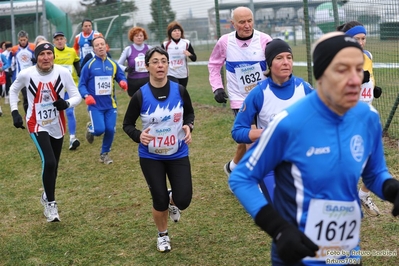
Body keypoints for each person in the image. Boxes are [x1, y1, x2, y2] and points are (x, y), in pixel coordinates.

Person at [229, 31, 399, 265]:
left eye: (359, 69)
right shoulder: (289, 123)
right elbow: (242, 178)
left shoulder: (367, 117)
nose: (354, 79)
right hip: (298, 254)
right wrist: (278, 228)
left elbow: (374, 173)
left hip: (346, 252)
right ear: (321, 75)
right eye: (342, 69)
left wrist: (391, 189)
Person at [122, 46, 195, 253]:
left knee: (183, 199)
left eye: (163, 61)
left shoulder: (180, 90)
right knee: (159, 199)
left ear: (168, 64)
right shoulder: (140, 96)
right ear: (147, 66)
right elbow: (127, 125)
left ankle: (172, 199)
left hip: (178, 153)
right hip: (150, 156)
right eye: (155, 61)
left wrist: (188, 127)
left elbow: (189, 114)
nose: (160, 65)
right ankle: (162, 235)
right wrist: (139, 136)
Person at [231, 39, 313, 202]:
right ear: (269, 63)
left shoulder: (303, 88)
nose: (286, 63)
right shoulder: (259, 93)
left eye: (289, 57)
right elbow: (237, 131)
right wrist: (264, 133)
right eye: (279, 58)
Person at [9, 41, 82, 222]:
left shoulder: (63, 73)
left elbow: (76, 95)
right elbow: (13, 89)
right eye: (42, 54)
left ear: (53, 57)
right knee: (49, 162)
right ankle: (51, 204)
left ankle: (46, 195)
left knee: (54, 166)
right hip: (36, 123)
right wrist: (14, 112)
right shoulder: (27, 74)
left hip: (57, 124)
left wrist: (66, 103)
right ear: (37, 57)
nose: (46, 57)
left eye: (49, 54)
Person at [208, 6, 272, 186]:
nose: (246, 25)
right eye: (242, 22)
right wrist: (217, 87)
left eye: (249, 20)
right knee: (253, 138)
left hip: (263, 98)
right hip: (240, 100)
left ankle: (233, 167)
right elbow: (213, 65)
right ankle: (256, 183)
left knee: (245, 141)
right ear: (233, 24)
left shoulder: (264, 40)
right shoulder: (224, 42)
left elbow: (275, 62)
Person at [337, 21, 382, 217]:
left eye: (364, 38)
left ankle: (363, 194)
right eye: (357, 39)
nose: (362, 42)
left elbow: (369, 76)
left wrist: (374, 87)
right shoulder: (338, 58)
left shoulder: (368, 56)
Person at [78, 36, 127, 164]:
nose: (100, 47)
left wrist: (122, 82)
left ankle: (104, 154)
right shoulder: (89, 66)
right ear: (93, 49)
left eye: (102, 44)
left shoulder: (113, 64)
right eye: (97, 45)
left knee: (110, 129)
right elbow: (81, 84)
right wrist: (86, 96)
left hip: (110, 104)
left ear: (106, 46)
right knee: (99, 130)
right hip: (95, 106)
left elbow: (121, 76)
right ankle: (90, 128)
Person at [53, 31, 82, 150]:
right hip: (55, 89)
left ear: (65, 40)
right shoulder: (51, 52)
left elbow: (76, 62)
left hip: (70, 87)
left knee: (69, 112)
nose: (59, 41)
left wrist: (81, 74)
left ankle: (72, 138)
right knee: (55, 114)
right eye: (57, 39)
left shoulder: (71, 51)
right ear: (54, 42)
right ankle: (54, 137)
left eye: (61, 38)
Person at [117, 26, 151, 97]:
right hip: (133, 82)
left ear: (144, 37)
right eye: (136, 36)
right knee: (134, 105)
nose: (139, 37)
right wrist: (126, 69)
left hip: (147, 81)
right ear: (132, 37)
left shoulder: (149, 48)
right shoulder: (128, 49)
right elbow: (118, 64)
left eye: (141, 35)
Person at [161, 21, 197, 88]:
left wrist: (190, 55)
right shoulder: (165, 44)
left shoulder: (186, 43)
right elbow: (160, 58)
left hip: (183, 74)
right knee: (174, 91)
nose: (177, 32)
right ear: (170, 33)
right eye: (174, 31)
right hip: (170, 73)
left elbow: (194, 58)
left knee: (181, 93)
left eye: (179, 30)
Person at [10, 30, 36, 113]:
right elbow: (10, 61)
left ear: (27, 39)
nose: (23, 41)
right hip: (21, 76)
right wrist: (11, 70)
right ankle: (28, 115)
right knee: (25, 97)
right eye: (21, 40)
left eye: (24, 40)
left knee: (34, 95)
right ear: (18, 40)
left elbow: (38, 58)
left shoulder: (33, 47)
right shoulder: (14, 49)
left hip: (33, 75)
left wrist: (35, 60)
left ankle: (35, 113)